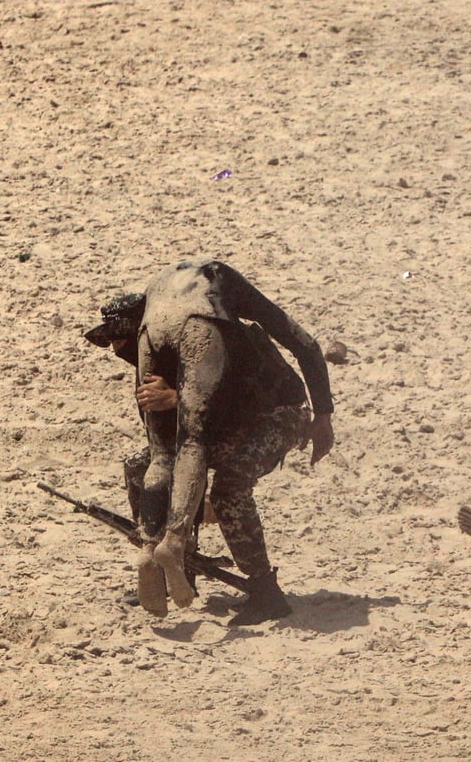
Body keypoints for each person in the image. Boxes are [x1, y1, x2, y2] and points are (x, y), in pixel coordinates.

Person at [84, 260, 335, 624]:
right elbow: (173, 448)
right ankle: (178, 565)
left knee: (230, 486)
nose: (116, 350)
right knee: (141, 467)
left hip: (278, 413)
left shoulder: (220, 339)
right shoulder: (158, 358)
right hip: (225, 426)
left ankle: (266, 592)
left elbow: (252, 394)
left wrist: (323, 415)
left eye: (120, 339)